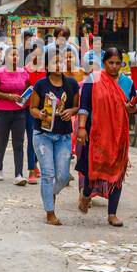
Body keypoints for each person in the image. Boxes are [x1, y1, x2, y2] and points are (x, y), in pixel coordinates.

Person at [75, 48, 137, 227]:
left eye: (118, 63)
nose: (114, 66)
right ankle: (86, 194)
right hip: (95, 133)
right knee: (91, 170)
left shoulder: (127, 82)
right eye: (111, 62)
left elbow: (133, 106)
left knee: (117, 172)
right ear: (104, 62)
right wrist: (81, 127)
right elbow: (84, 105)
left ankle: (112, 214)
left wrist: (133, 109)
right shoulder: (93, 79)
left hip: (118, 134)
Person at [28, 50, 80, 225]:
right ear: (48, 66)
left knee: (64, 176)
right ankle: (50, 212)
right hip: (42, 135)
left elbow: (76, 106)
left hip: (64, 135)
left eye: (62, 62)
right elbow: (32, 108)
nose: (59, 65)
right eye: (55, 62)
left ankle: (49, 194)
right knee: (48, 174)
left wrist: (70, 111)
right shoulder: (41, 85)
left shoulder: (71, 84)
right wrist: (40, 113)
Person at [0, 46, 31, 183]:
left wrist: (24, 98)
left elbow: (27, 90)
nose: (15, 57)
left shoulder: (24, 72)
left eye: (17, 55)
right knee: (2, 141)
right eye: (12, 55)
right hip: (2, 112)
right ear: (5, 57)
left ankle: (19, 174)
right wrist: (9, 96)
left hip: (19, 113)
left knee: (19, 143)